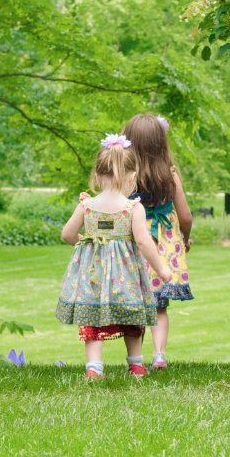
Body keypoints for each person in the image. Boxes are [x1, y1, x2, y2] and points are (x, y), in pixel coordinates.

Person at [56, 133, 174, 380]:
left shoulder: (87, 206)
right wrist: (162, 269)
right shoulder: (133, 208)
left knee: (93, 318)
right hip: (126, 275)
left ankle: (94, 367)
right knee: (132, 314)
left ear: (97, 176)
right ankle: (136, 364)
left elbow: (67, 234)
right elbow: (143, 241)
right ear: (132, 177)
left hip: (93, 274)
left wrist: (88, 245)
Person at [121, 113, 193, 370]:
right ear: (161, 143)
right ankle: (159, 354)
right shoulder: (170, 173)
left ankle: (136, 359)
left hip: (135, 243)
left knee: (136, 306)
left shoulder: (126, 175)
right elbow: (185, 215)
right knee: (160, 305)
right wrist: (185, 237)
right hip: (165, 246)